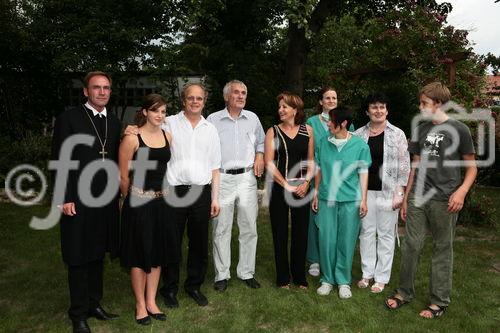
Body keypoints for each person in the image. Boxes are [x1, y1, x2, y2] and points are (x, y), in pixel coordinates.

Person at [385, 82, 477, 318]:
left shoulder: (459, 130)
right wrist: (406, 198)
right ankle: (404, 292)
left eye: (424, 103)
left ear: (438, 103)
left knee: (442, 248)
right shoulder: (421, 129)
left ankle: (439, 301)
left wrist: (461, 192)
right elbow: (414, 166)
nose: (420, 106)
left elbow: (472, 167)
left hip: (445, 199)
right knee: (411, 246)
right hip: (418, 195)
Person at [51, 71, 120, 333]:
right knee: (79, 256)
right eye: (96, 88)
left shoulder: (113, 122)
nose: (102, 92)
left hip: (105, 199)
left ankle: (94, 304)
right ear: (86, 92)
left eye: (106, 88)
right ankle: (78, 314)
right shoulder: (68, 119)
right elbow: (59, 160)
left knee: (97, 254)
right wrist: (64, 197)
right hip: (77, 198)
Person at [159, 83, 221, 307]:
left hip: (201, 193)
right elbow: (146, 130)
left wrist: (214, 198)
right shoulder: (169, 122)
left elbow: (215, 167)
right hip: (174, 191)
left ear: (204, 101)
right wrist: (132, 129)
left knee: (198, 243)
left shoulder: (210, 129)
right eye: (191, 98)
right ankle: (170, 289)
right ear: (183, 100)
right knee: (171, 242)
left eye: (199, 98)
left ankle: (194, 285)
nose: (195, 102)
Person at [119, 94, 179, 325]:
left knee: (157, 253)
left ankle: (152, 301)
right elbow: (123, 175)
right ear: (145, 112)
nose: (160, 115)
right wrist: (131, 197)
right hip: (139, 203)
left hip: (163, 202)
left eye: (163, 112)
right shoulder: (132, 138)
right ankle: (140, 305)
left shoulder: (168, 136)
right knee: (139, 253)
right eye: (156, 111)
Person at [207, 80, 265, 292]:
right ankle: (222, 274)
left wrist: (260, 155)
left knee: (249, 226)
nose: (241, 96)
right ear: (226, 97)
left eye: (244, 93)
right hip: (222, 179)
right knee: (221, 227)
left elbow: (261, 142)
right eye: (236, 93)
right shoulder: (213, 120)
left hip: (247, 178)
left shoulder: (253, 118)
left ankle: (246, 272)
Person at [312, 106, 371, 299]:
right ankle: (327, 279)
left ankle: (343, 281)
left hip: (350, 200)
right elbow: (318, 171)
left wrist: (363, 199)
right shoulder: (322, 143)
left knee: (346, 241)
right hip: (326, 198)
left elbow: (363, 173)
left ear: (343, 123)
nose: (328, 123)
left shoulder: (360, 146)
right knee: (327, 240)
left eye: (331, 120)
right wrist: (315, 194)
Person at [353, 93, 410, 293]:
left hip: (389, 192)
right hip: (365, 191)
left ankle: (382, 277)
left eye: (382, 107)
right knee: (366, 233)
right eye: (374, 107)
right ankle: (367, 274)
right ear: (367, 111)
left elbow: (404, 165)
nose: (378, 111)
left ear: (387, 110)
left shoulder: (397, 134)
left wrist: (400, 193)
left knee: (386, 234)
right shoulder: (359, 134)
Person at [264, 92, 315, 289]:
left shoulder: (308, 131)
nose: (281, 110)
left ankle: (300, 276)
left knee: (301, 233)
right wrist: (286, 185)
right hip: (279, 188)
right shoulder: (273, 131)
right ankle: (283, 277)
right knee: (280, 233)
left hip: (302, 189)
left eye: (285, 106)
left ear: (295, 109)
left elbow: (311, 161)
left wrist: (307, 183)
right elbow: (269, 162)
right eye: (279, 107)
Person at [305, 86, 355, 277]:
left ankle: (334, 258)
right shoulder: (311, 122)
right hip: (319, 172)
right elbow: (309, 150)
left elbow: (349, 146)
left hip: (339, 178)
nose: (331, 101)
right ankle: (315, 259)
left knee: (335, 222)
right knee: (315, 219)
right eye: (327, 98)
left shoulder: (344, 121)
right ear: (320, 101)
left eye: (334, 97)